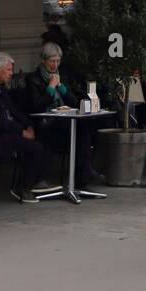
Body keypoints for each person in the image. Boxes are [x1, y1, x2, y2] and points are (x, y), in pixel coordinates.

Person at [0, 52, 55, 202]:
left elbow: (14, 111)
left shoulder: (0, 88)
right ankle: (22, 188)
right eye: (8, 70)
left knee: (44, 136)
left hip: (6, 133)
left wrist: (29, 125)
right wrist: (22, 132)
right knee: (34, 148)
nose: (11, 73)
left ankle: (38, 181)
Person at [24, 42, 103, 191]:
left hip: (62, 121)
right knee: (58, 133)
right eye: (52, 61)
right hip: (44, 123)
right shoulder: (33, 79)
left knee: (82, 127)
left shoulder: (62, 76)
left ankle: (83, 174)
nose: (55, 65)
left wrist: (62, 88)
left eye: (58, 61)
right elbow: (36, 106)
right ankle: (45, 178)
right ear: (43, 60)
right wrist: (51, 87)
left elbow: (73, 102)